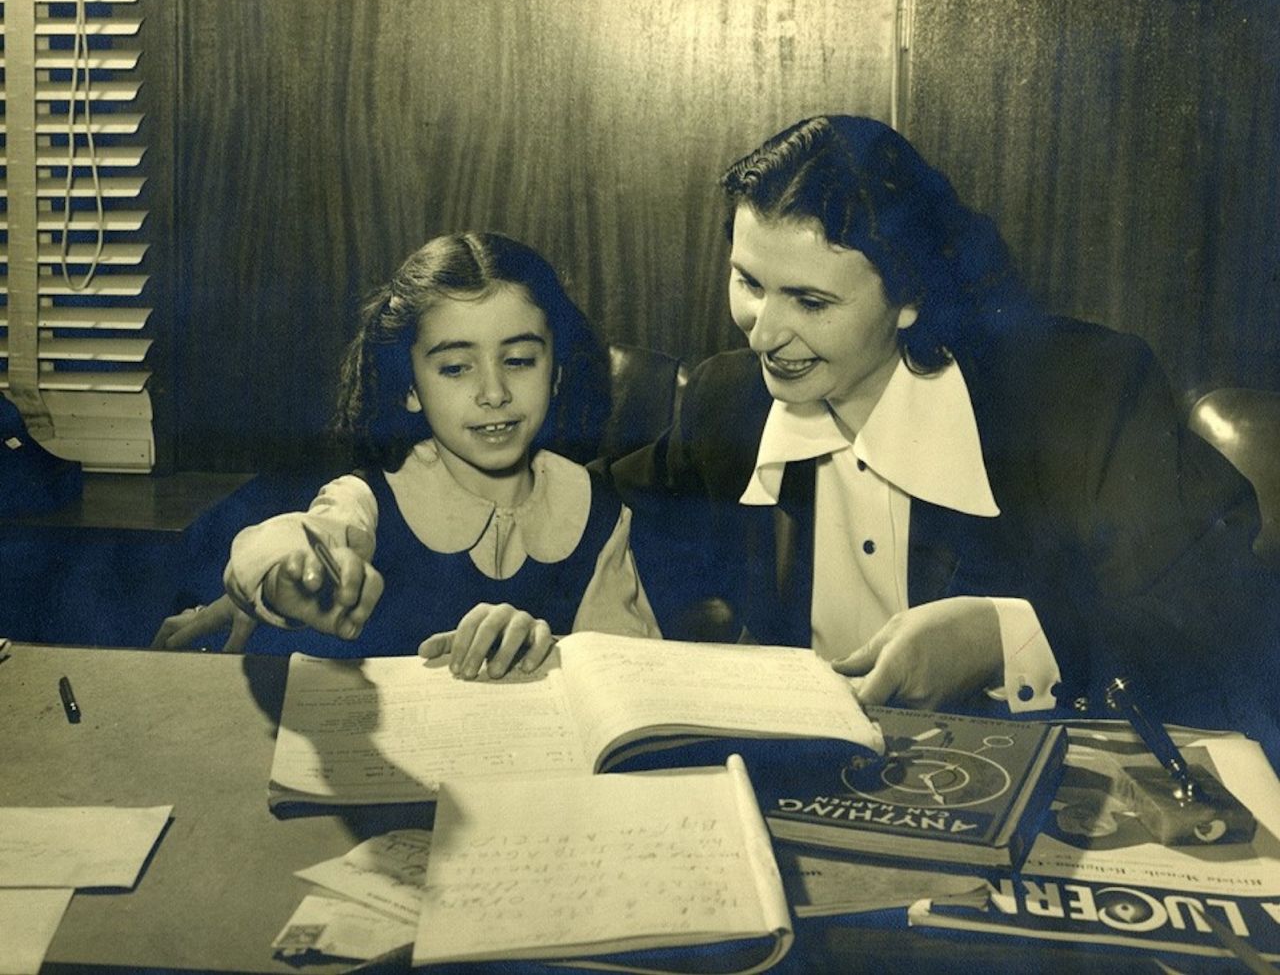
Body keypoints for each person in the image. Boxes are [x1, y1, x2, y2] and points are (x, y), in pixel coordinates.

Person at [611, 114, 1279, 744]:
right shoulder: (728, 401)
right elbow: (598, 515)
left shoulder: (1084, 396)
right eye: (749, 282)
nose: (766, 332)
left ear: (909, 298)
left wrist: (1002, 639)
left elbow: (1230, 618)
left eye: (811, 302)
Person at [153, 232, 661, 675]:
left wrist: (551, 654)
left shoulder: (596, 509)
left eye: (520, 360)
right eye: (455, 367)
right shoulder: (370, 497)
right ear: (410, 387)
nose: (493, 391)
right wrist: (291, 570)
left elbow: (629, 678)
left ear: (556, 371)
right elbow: (280, 543)